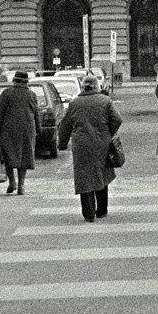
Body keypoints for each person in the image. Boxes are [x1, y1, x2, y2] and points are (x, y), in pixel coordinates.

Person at [57, 71, 123, 222]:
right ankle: (102, 210)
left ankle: (89, 213)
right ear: (97, 86)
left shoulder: (74, 104)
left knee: (84, 176)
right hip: (102, 143)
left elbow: (64, 126)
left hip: (81, 145)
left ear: (82, 87)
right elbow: (117, 119)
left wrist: (61, 144)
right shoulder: (105, 101)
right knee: (102, 173)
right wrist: (109, 132)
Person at [0, 71, 40, 196]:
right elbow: (36, 114)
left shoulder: (6, 93)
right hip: (27, 130)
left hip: (8, 130)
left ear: (14, 81)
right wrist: (39, 129)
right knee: (24, 156)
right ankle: (21, 185)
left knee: (8, 156)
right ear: (26, 82)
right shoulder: (31, 95)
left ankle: (12, 181)